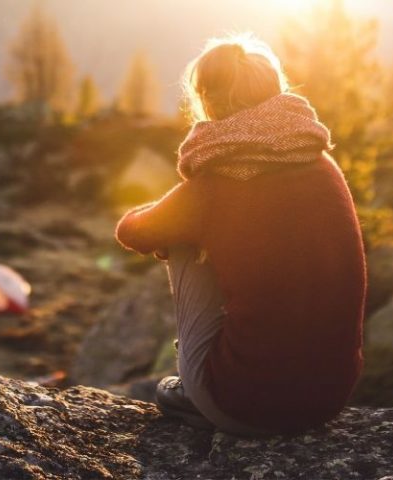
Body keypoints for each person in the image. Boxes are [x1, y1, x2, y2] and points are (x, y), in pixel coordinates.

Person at [114, 34, 367, 435]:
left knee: (179, 237)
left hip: (242, 407)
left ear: (208, 102)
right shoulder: (323, 164)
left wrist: (185, 217)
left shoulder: (215, 183)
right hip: (329, 400)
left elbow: (132, 232)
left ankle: (196, 383)